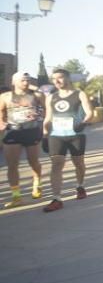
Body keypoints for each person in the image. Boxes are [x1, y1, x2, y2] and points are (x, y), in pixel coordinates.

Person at [41, 69, 94, 212]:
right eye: (54, 79)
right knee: (56, 164)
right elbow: (48, 118)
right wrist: (45, 134)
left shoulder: (79, 94)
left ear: (68, 78)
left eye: (60, 78)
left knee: (79, 163)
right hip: (56, 135)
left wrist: (83, 122)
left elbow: (90, 112)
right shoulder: (51, 97)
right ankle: (56, 198)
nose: (57, 81)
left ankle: (80, 186)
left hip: (75, 134)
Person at [0, 71, 45, 206]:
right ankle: (16, 197)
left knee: (33, 162)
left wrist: (43, 120)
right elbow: (0, 112)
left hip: (31, 131)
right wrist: (1, 122)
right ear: (13, 82)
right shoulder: (5, 97)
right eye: (23, 80)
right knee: (12, 165)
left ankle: (37, 181)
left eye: (28, 80)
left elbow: (48, 107)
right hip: (13, 132)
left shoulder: (36, 95)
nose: (26, 83)